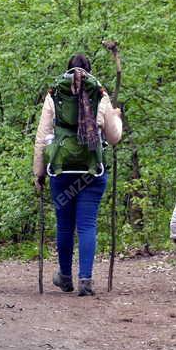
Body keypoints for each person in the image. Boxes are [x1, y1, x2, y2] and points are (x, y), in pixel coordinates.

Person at [33, 54, 122, 296]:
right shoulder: (100, 95)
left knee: (64, 226)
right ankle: (85, 279)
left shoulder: (54, 95)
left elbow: (42, 137)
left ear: (67, 70)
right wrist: (116, 117)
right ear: (89, 71)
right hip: (92, 170)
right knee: (87, 225)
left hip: (61, 170)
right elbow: (113, 138)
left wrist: (38, 173)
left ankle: (64, 276)